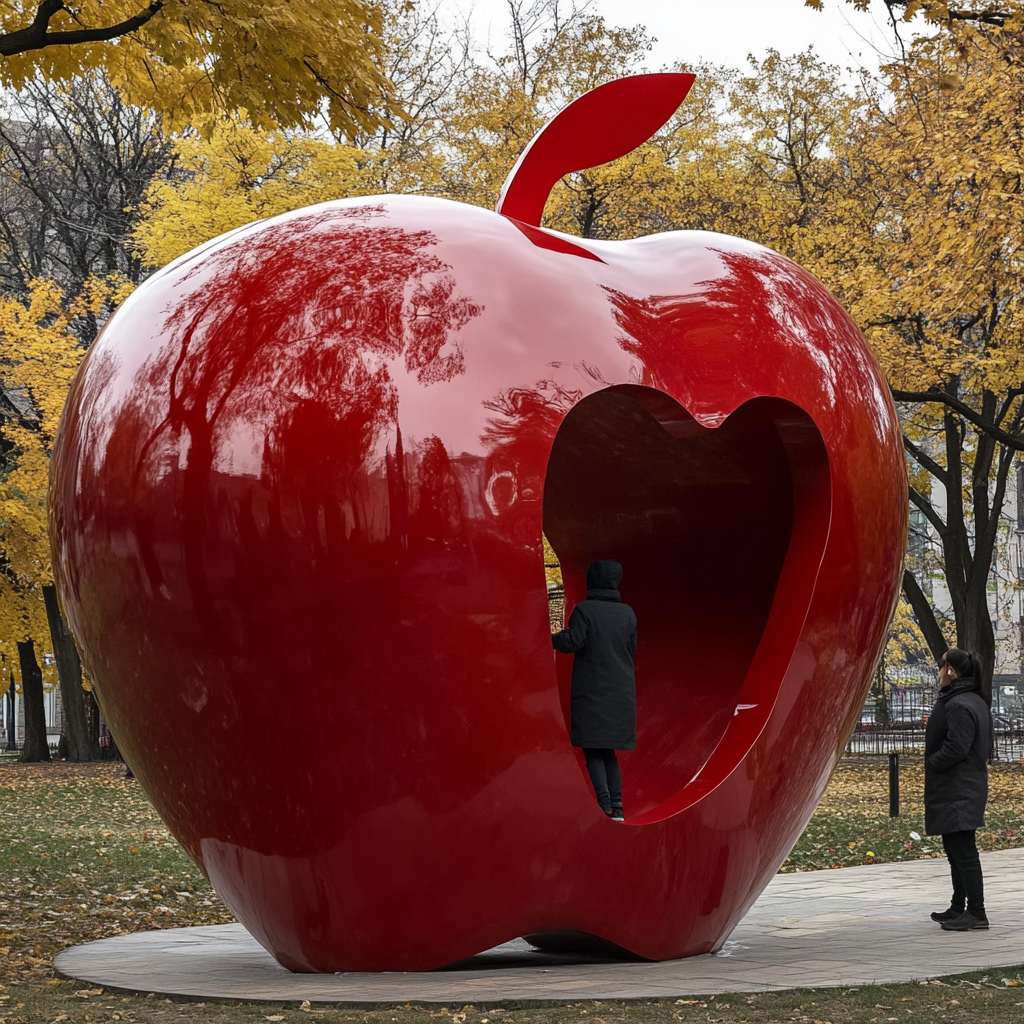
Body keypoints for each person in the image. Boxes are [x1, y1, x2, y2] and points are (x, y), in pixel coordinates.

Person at [552, 559, 637, 821]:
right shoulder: (628, 614)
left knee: (592, 749)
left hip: (592, 690)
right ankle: (619, 807)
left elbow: (573, 641)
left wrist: (550, 636)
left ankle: (604, 804)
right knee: (608, 751)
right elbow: (631, 649)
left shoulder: (585, 611)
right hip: (621, 690)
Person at [924, 647, 992, 931]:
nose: (939, 672)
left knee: (964, 852)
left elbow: (957, 746)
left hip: (959, 788)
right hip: (960, 786)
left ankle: (976, 911)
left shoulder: (961, 704)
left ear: (951, 670)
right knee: (955, 850)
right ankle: (958, 907)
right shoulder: (970, 700)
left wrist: (933, 763)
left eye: (941, 666)